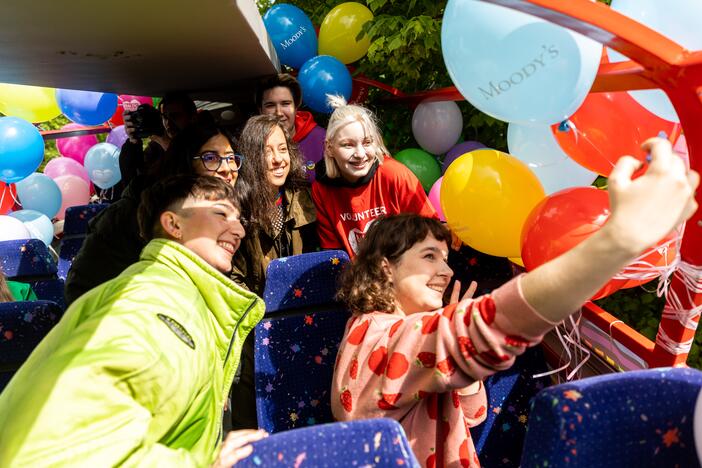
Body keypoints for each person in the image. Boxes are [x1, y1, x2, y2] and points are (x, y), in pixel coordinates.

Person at [331, 138, 699, 467]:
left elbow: (473, 416)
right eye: (429, 256)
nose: (445, 271)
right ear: (386, 267)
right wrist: (618, 240)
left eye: (445, 259)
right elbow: (492, 324)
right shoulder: (378, 335)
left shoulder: (375, 328)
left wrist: (456, 363)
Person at [0, 175, 268, 466]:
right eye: (220, 213)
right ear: (174, 224)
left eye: (239, 219)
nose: (239, 230)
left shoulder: (172, 294)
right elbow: (75, 444)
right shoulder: (159, 305)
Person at [65, 115, 244, 305]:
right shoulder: (132, 215)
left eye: (231, 158)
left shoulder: (230, 213)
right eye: (210, 158)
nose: (227, 168)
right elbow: (85, 291)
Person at [228, 114, 318, 430]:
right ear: (253, 157)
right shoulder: (237, 207)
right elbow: (233, 280)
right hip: (256, 331)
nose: (279, 159)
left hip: (302, 324)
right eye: (268, 152)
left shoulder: (301, 196)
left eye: (283, 149)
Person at [312, 95, 437, 256]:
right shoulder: (322, 188)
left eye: (367, 142)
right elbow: (333, 255)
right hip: (357, 278)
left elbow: (430, 230)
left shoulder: (394, 174)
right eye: (348, 145)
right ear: (329, 148)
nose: (360, 154)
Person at [119, 92, 198, 189]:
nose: (168, 123)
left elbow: (191, 181)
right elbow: (135, 182)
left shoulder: (203, 145)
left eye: (175, 116)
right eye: (165, 117)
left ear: (193, 118)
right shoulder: (156, 148)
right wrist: (133, 143)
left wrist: (170, 147)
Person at [256, 73, 325, 173]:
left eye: (285, 104)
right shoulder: (254, 146)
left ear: (296, 107)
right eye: (270, 105)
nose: (278, 113)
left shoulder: (321, 139)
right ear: (260, 110)